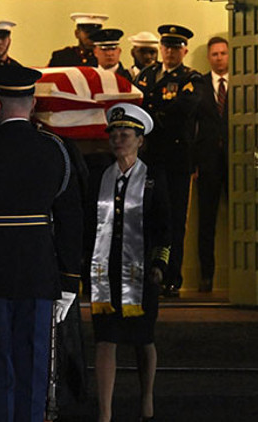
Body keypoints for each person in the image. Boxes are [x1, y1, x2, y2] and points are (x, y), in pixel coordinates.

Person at [0, 65, 83, 422]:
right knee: (33, 365)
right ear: (33, 103)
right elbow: (71, 219)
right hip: (38, 270)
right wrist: (69, 279)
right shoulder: (55, 149)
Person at [87, 103, 170, 422]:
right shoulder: (100, 177)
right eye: (114, 134)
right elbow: (89, 224)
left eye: (125, 135)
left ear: (140, 140)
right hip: (106, 270)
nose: (118, 140)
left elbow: (165, 226)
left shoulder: (153, 178)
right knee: (105, 337)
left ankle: (146, 397)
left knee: (142, 338)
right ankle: (104, 413)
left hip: (142, 271)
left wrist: (160, 264)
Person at [133, 24, 203, 297]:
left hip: (176, 161)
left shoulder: (191, 78)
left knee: (173, 219)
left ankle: (171, 275)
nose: (170, 52)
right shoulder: (146, 75)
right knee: (146, 216)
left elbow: (182, 111)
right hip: (148, 157)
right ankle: (146, 273)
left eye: (176, 48)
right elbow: (137, 104)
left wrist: (152, 117)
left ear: (184, 51)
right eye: (166, 47)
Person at [193, 36, 229, 293]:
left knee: (244, 220)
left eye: (223, 53)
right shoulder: (200, 85)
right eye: (214, 54)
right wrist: (193, 162)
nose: (219, 58)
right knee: (206, 222)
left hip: (237, 162)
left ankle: (247, 278)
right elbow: (192, 126)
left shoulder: (246, 84)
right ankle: (207, 276)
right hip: (207, 163)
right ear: (208, 57)